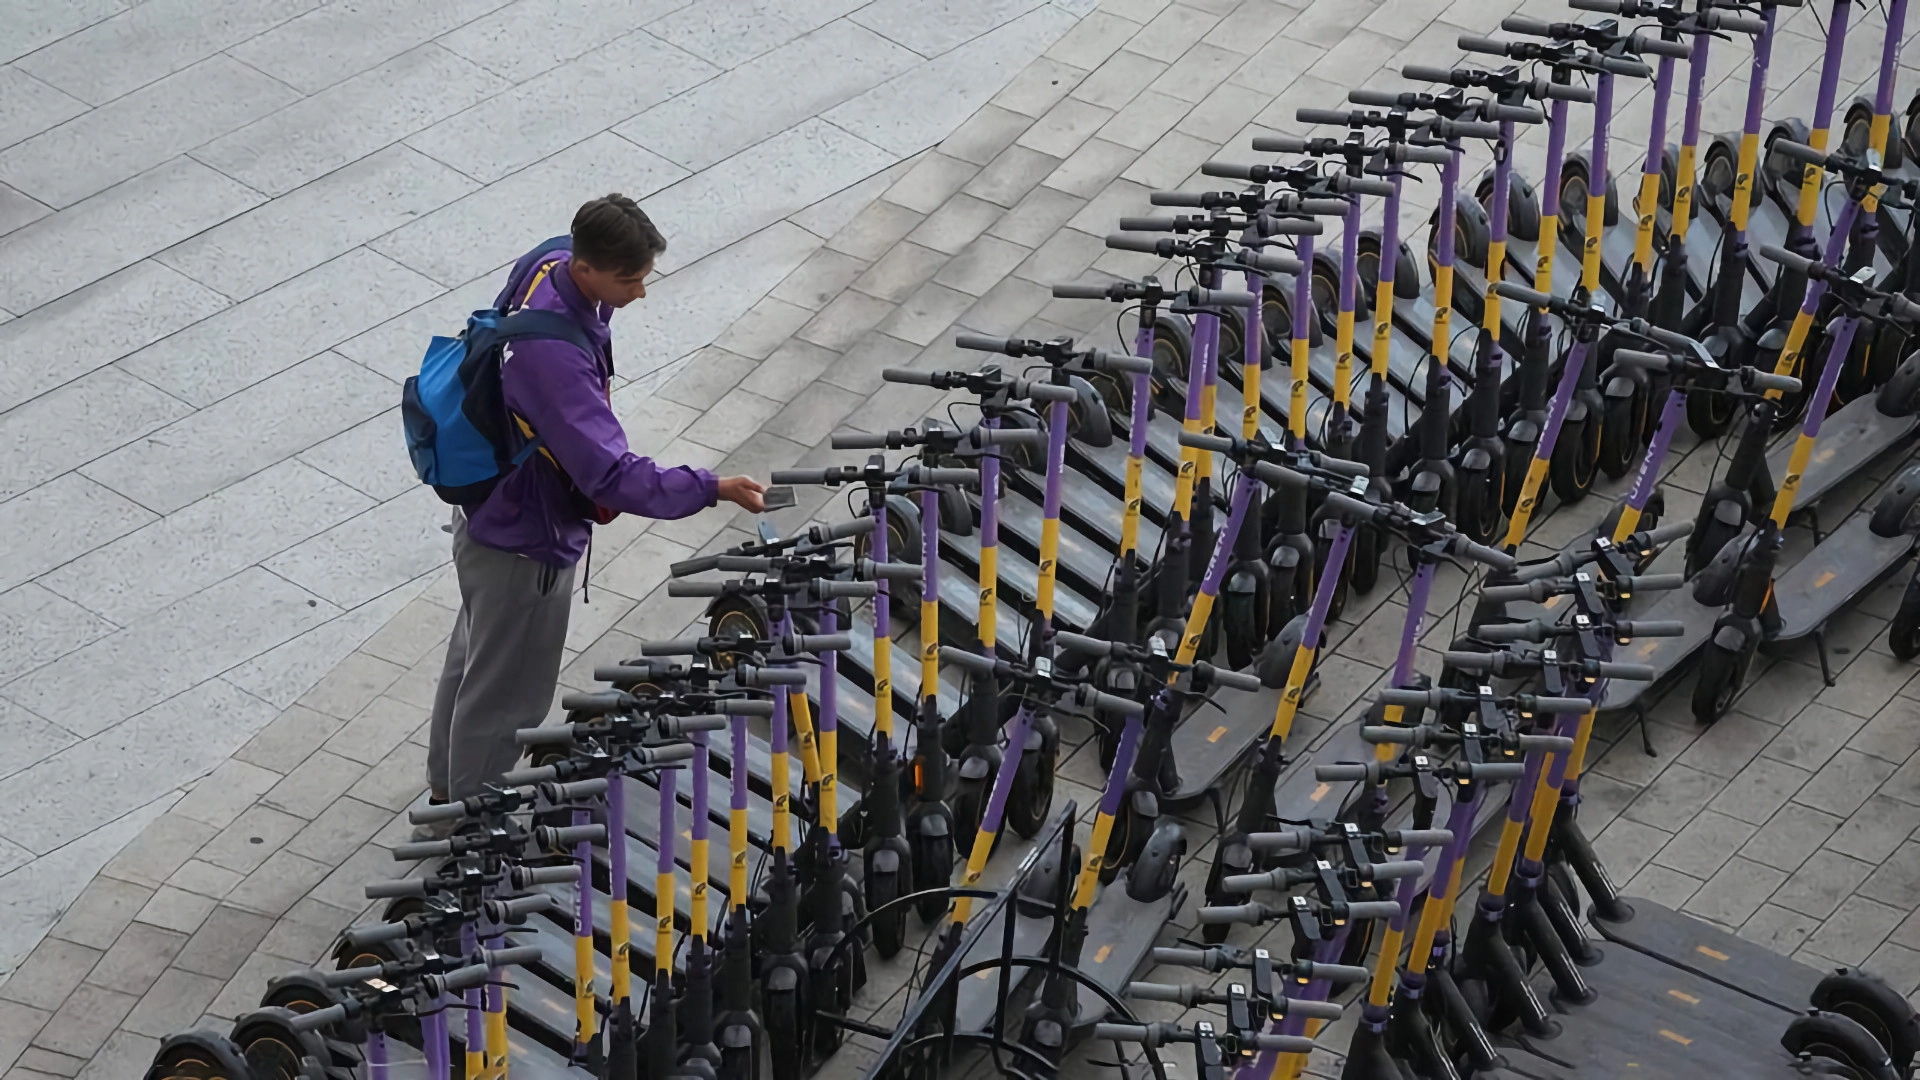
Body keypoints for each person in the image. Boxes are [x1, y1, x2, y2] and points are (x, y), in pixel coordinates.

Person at [424, 194, 765, 827]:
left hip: (488, 511)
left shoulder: (548, 260)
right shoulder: (552, 359)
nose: (639, 294)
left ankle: (447, 789)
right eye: (629, 280)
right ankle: (469, 835)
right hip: (526, 537)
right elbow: (609, 473)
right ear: (587, 269)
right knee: (507, 695)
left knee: (474, 656)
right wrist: (711, 486)